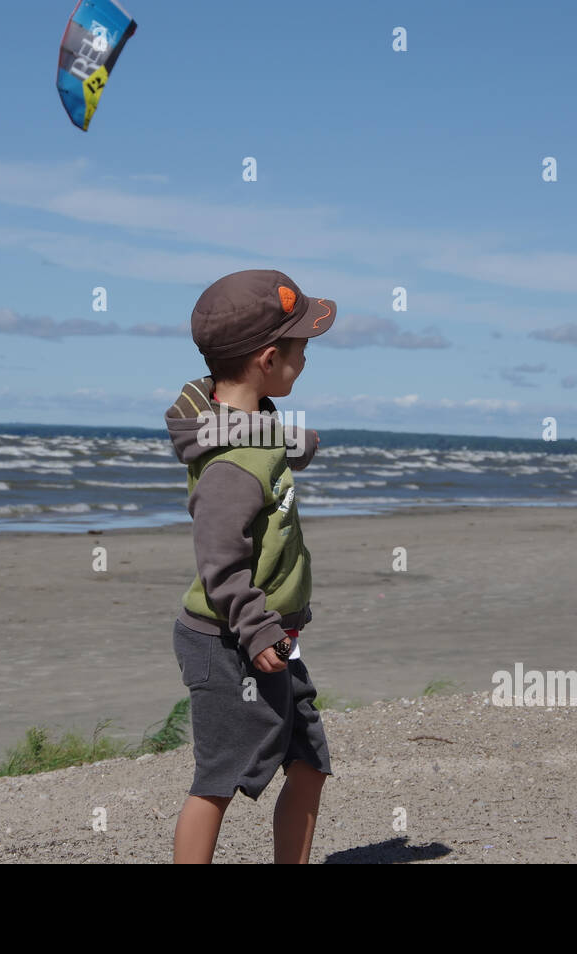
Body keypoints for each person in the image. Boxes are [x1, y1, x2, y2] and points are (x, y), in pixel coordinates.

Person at [163, 269, 336, 864]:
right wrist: (256, 626)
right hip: (227, 640)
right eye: (300, 347)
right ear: (268, 359)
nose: (307, 358)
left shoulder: (253, 433)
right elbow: (219, 560)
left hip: (273, 636)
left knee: (309, 763)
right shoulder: (232, 464)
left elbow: (270, 438)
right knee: (218, 781)